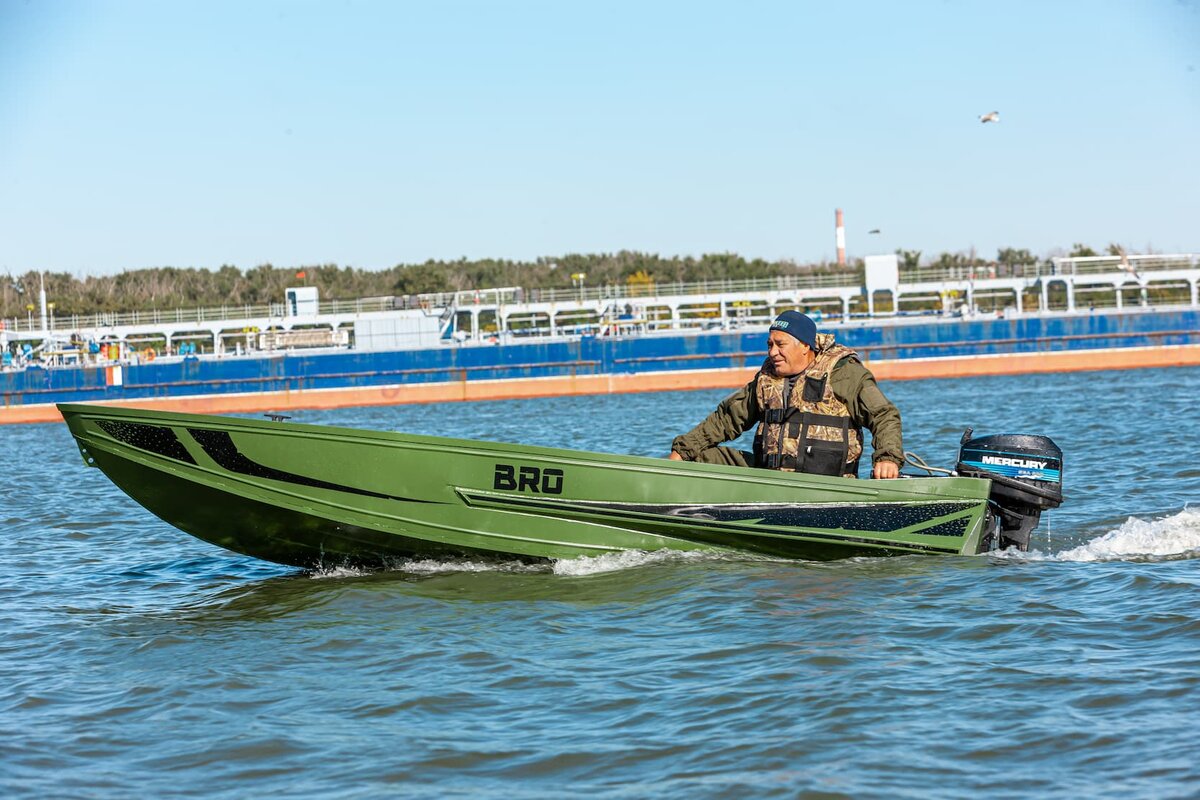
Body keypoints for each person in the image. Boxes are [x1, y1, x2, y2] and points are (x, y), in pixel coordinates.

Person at [669, 310, 904, 479]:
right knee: (698, 456)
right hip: (770, 479)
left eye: (780, 344)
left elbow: (884, 415)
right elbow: (727, 419)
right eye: (769, 344)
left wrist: (888, 458)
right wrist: (683, 450)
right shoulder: (766, 378)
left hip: (823, 485)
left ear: (805, 346)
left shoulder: (843, 373)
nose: (773, 352)